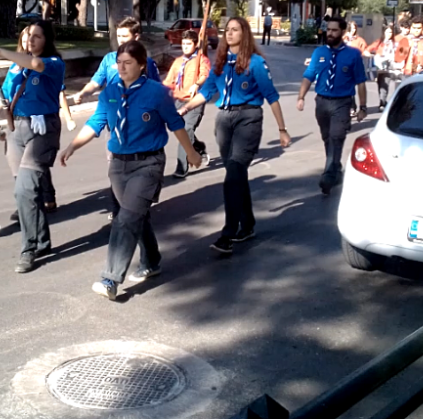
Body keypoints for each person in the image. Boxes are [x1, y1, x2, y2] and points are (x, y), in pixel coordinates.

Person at [60, 41, 202, 301]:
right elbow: (96, 122)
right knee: (137, 216)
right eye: (119, 63)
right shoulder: (110, 91)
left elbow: (175, 123)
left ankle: (110, 279)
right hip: (118, 165)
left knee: (125, 219)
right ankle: (152, 260)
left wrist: (191, 152)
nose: (121, 67)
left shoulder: (157, 93)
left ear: (141, 64)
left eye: (127, 63)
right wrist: (72, 146)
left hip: (148, 164)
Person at [179, 17, 291, 255]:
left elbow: (271, 96)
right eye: (227, 30)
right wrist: (186, 107)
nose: (229, 34)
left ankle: (228, 233)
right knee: (236, 174)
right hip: (224, 121)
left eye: (235, 30)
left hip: (248, 118)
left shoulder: (256, 63)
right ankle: (247, 224)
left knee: (234, 173)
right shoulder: (219, 63)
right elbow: (207, 92)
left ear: (244, 33)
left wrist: (282, 130)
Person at [0, 20, 65, 274]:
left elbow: (36, 64)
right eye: (27, 36)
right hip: (15, 130)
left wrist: (1, 52)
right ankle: (42, 241)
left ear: (47, 40)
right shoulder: (16, 68)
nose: (31, 40)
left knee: (24, 190)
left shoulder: (54, 64)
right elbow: (3, 99)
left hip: (42, 130)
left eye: (37, 36)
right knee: (26, 192)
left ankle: (29, 248)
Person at [72, 16, 160, 219]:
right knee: (115, 166)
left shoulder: (147, 63)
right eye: (118, 36)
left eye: (125, 36)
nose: (120, 40)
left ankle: (142, 200)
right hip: (115, 126)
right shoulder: (109, 60)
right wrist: (83, 93)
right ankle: (118, 208)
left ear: (136, 36)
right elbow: (96, 82)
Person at [298, 17, 367, 196]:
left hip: (342, 103)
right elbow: (309, 76)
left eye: (334, 30)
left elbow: (360, 82)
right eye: (328, 30)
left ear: (343, 32)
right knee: (327, 138)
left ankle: (328, 175)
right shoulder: (319, 52)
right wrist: (301, 97)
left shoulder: (353, 55)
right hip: (321, 102)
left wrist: (363, 107)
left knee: (336, 137)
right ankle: (336, 168)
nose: (330, 33)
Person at [162, 29, 211, 178]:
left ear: (196, 45)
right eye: (183, 44)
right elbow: (168, 82)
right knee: (179, 131)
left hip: (194, 101)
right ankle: (198, 147)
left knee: (187, 129)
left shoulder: (202, 60)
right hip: (178, 101)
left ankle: (181, 167)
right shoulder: (178, 62)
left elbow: (204, 74)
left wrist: (197, 84)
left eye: (189, 44)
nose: (185, 47)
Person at [366, 25, 401, 111]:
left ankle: (383, 103)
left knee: (387, 83)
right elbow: (366, 51)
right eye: (388, 32)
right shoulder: (379, 42)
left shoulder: (395, 43)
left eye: (391, 32)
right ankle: (382, 101)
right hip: (380, 67)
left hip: (391, 67)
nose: (389, 34)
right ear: (384, 33)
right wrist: (374, 56)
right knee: (381, 85)